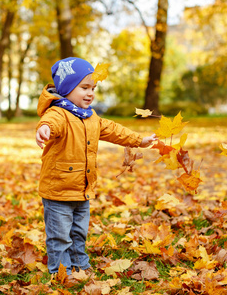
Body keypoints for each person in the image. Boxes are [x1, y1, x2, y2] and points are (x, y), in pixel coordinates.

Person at [35, 57, 157, 285]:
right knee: (60, 236)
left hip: (83, 190)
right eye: (84, 87)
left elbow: (115, 131)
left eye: (93, 88)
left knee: (78, 233)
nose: (90, 93)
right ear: (67, 88)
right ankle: (61, 272)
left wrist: (140, 140)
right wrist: (43, 129)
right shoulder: (59, 113)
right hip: (58, 191)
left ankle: (80, 265)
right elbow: (49, 122)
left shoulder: (91, 117)